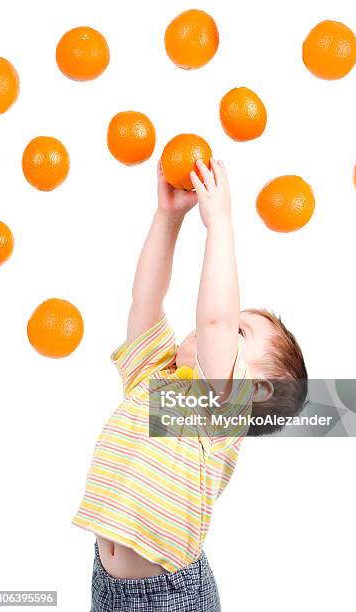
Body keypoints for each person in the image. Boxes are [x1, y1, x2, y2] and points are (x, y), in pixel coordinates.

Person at [72, 158, 308, 611]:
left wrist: (219, 222)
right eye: (234, 324)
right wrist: (168, 218)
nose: (218, 326)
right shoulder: (158, 381)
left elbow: (215, 318)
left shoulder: (217, 412)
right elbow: (147, 297)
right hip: (106, 585)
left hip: (171, 597)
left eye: (240, 334)